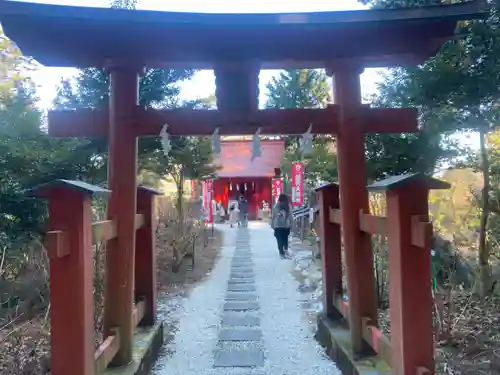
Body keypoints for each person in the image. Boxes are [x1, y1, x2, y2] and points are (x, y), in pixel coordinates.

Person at [271, 193, 293, 258]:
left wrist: (272, 225)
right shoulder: (288, 206)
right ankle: (285, 250)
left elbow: (273, 217)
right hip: (285, 225)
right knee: (285, 238)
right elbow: (290, 216)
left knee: (279, 240)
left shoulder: (275, 206)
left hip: (277, 225)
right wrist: (291, 224)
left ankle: (281, 253)